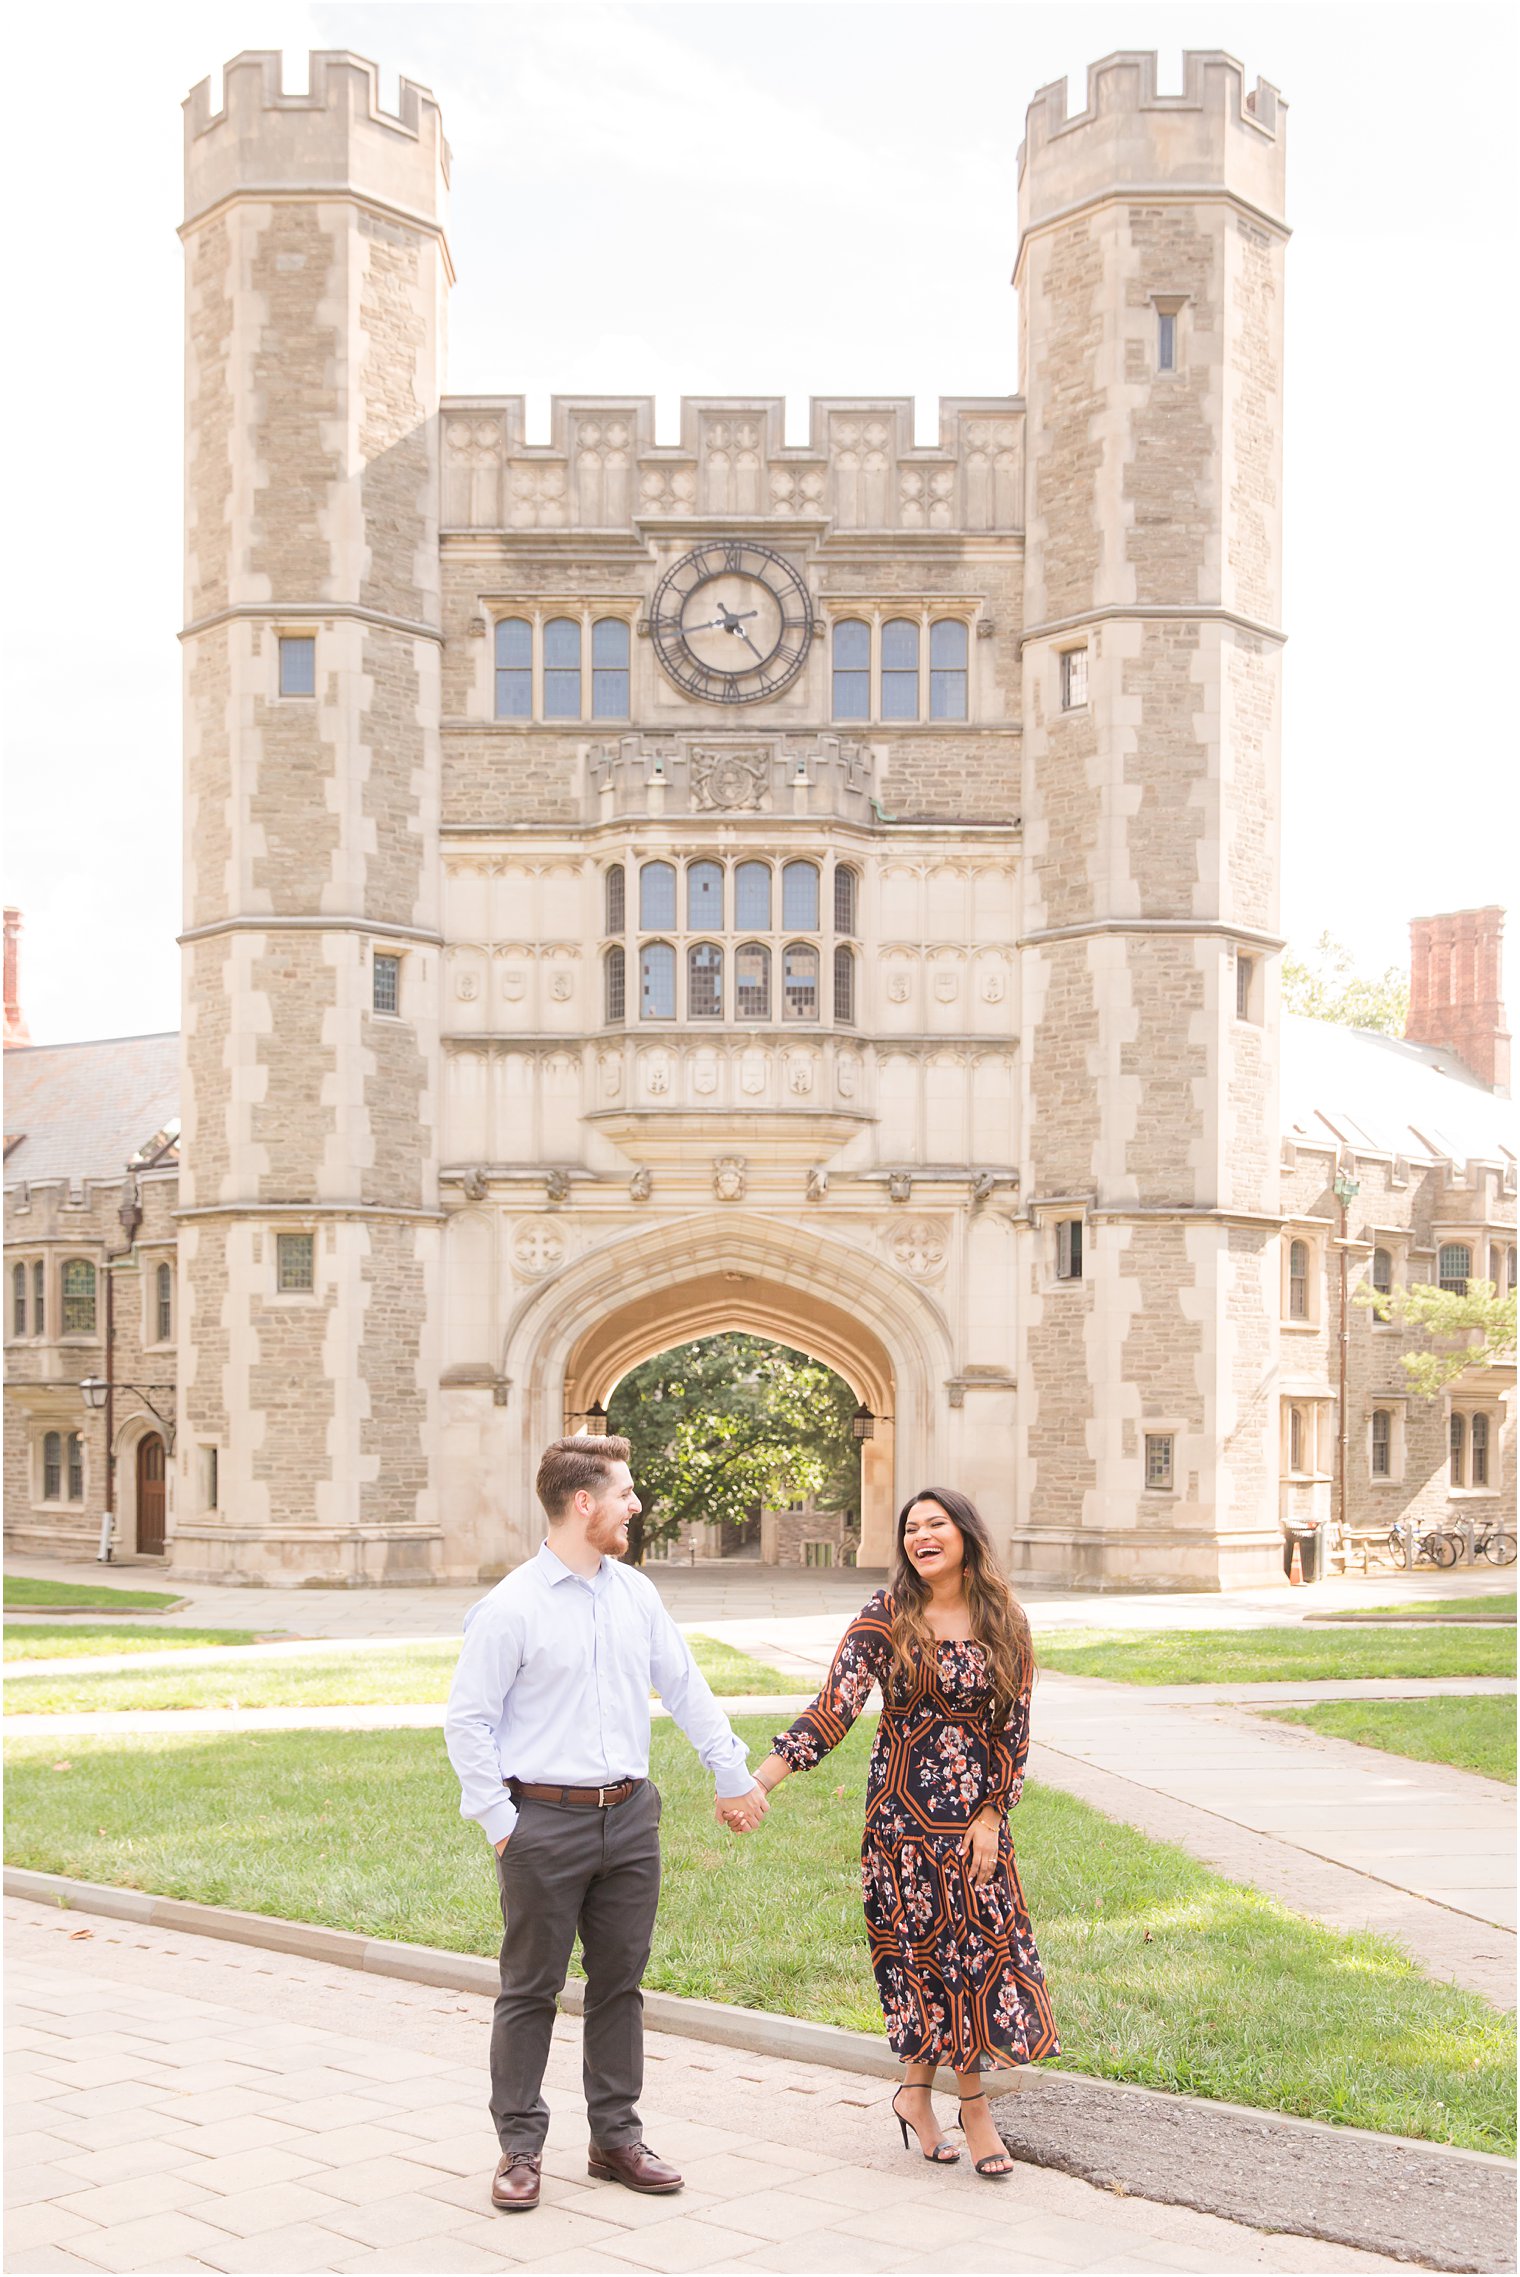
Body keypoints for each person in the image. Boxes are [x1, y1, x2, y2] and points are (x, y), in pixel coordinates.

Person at [444, 1434, 770, 2214]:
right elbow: (468, 1721)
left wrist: (732, 1776)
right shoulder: (511, 1606)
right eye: (624, 1493)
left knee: (619, 1986)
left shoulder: (636, 1594)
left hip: (629, 1817)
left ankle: (614, 2137)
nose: (636, 1505)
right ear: (582, 1503)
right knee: (531, 1989)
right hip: (541, 1823)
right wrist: (501, 1822)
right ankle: (520, 2148)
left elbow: (685, 1689)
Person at [746, 1487, 1058, 2179]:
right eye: (911, 1528)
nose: (921, 1536)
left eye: (935, 1524)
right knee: (928, 1960)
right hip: (903, 1823)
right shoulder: (884, 1617)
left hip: (973, 1825)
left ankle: (918, 2093)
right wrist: (761, 1779)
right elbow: (833, 1708)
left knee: (974, 1958)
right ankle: (973, 2108)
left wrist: (991, 1814)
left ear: (965, 1534)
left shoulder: (1005, 1618)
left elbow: (1014, 1726)